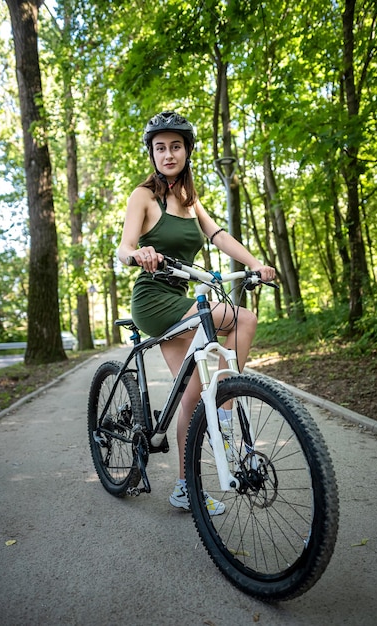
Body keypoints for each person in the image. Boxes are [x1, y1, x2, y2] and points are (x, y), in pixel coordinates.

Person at [118, 111, 276, 515]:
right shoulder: (144, 196)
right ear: (152, 154)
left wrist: (256, 263)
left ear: (187, 151)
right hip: (154, 300)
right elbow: (124, 247)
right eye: (160, 148)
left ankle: (185, 486)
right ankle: (225, 405)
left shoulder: (190, 201)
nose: (168, 154)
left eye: (175, 146)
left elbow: (218, 236)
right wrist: (140, 253)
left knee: (190, 396)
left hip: (184, 300)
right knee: (243, 319)